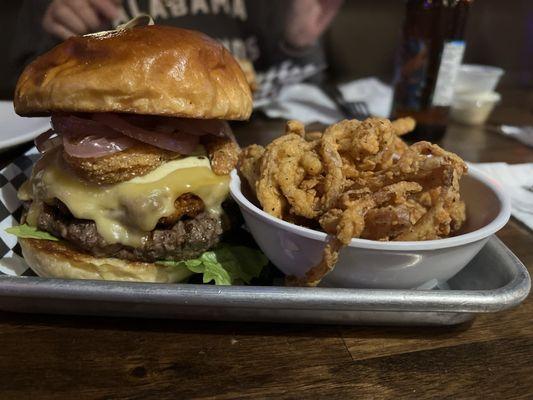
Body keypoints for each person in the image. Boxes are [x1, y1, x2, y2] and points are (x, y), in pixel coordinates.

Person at [10, 0, 342, 100]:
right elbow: (23, 92)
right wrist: (52, 29)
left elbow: (298, 91)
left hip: (242, 138)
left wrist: (299, 43)